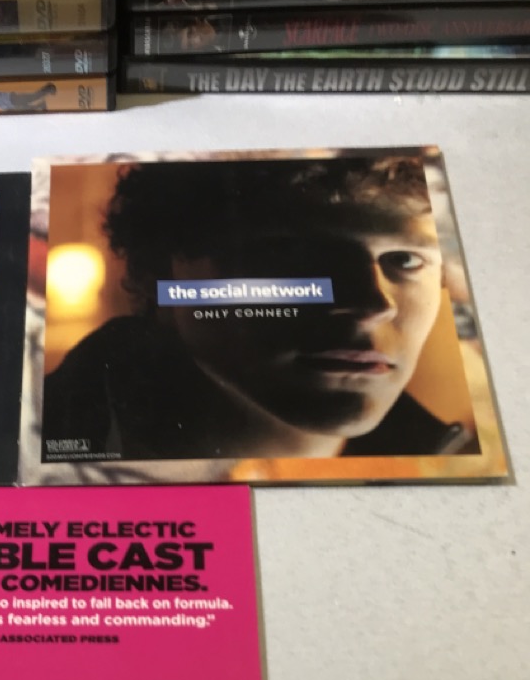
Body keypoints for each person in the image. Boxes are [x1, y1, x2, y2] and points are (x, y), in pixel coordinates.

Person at [42, 153, 469, 463]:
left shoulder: (451, 459)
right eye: (293, 254)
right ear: (160, 273)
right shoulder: (42, 440)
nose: (370, 304)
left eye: (405, 260)